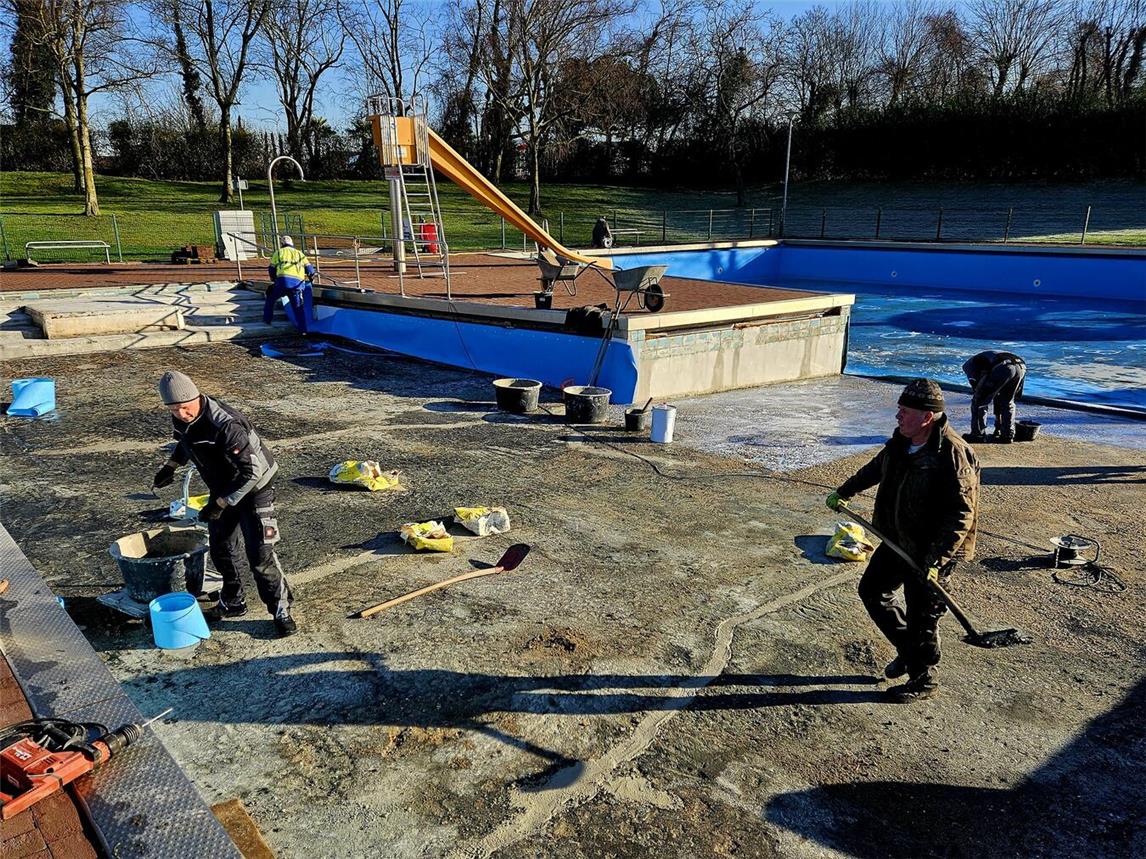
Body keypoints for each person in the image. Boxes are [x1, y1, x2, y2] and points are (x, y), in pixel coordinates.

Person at [826, 379, 980, 702]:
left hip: (930, 551)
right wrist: (844, 491)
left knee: (922, 614)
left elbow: (962, 514)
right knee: (872, 589)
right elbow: (875, 469)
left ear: (927, 417)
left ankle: (924, 676)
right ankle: (910, 652)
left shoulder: (952, 453)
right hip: (897, 539)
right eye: (899, 409)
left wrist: (937, 560)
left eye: (904, 411)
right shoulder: (901, 441)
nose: (898, 416)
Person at [151, 371, 297, 637]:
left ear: (197, 397)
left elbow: (251, 473)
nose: (181, 414)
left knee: (260, 555)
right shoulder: (184, 419)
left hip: (255, 488)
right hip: (224, 485)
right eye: (173, 409)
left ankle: (281, 610)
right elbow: (186, 441)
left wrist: (220, 503)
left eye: (185, 407)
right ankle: (233, 601)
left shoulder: (225, 425)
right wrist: (170, 466)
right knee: (221, 548)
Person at [962, 350, 1026, 444]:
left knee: (979, 401)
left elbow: (978, 391)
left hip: (1003, 367)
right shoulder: (984, 360)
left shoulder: (969, 367)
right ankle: (1007, 435)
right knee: (1008, 401)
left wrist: (981, 396)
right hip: (1021, 366)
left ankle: (977, 434)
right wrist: (998, 424)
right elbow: (997, 396)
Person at [264, 235, 316, 335]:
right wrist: (310, 278)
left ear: (282, 244)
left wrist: (274, 279)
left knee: (270, 298)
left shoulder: (278, 253)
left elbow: (271, 269)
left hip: (281, 283)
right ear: (292, 243)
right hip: (296, 285)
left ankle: (267, 319)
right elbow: (310, 270)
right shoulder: (300, 254)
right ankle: (303, 331)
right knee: (298, 308)